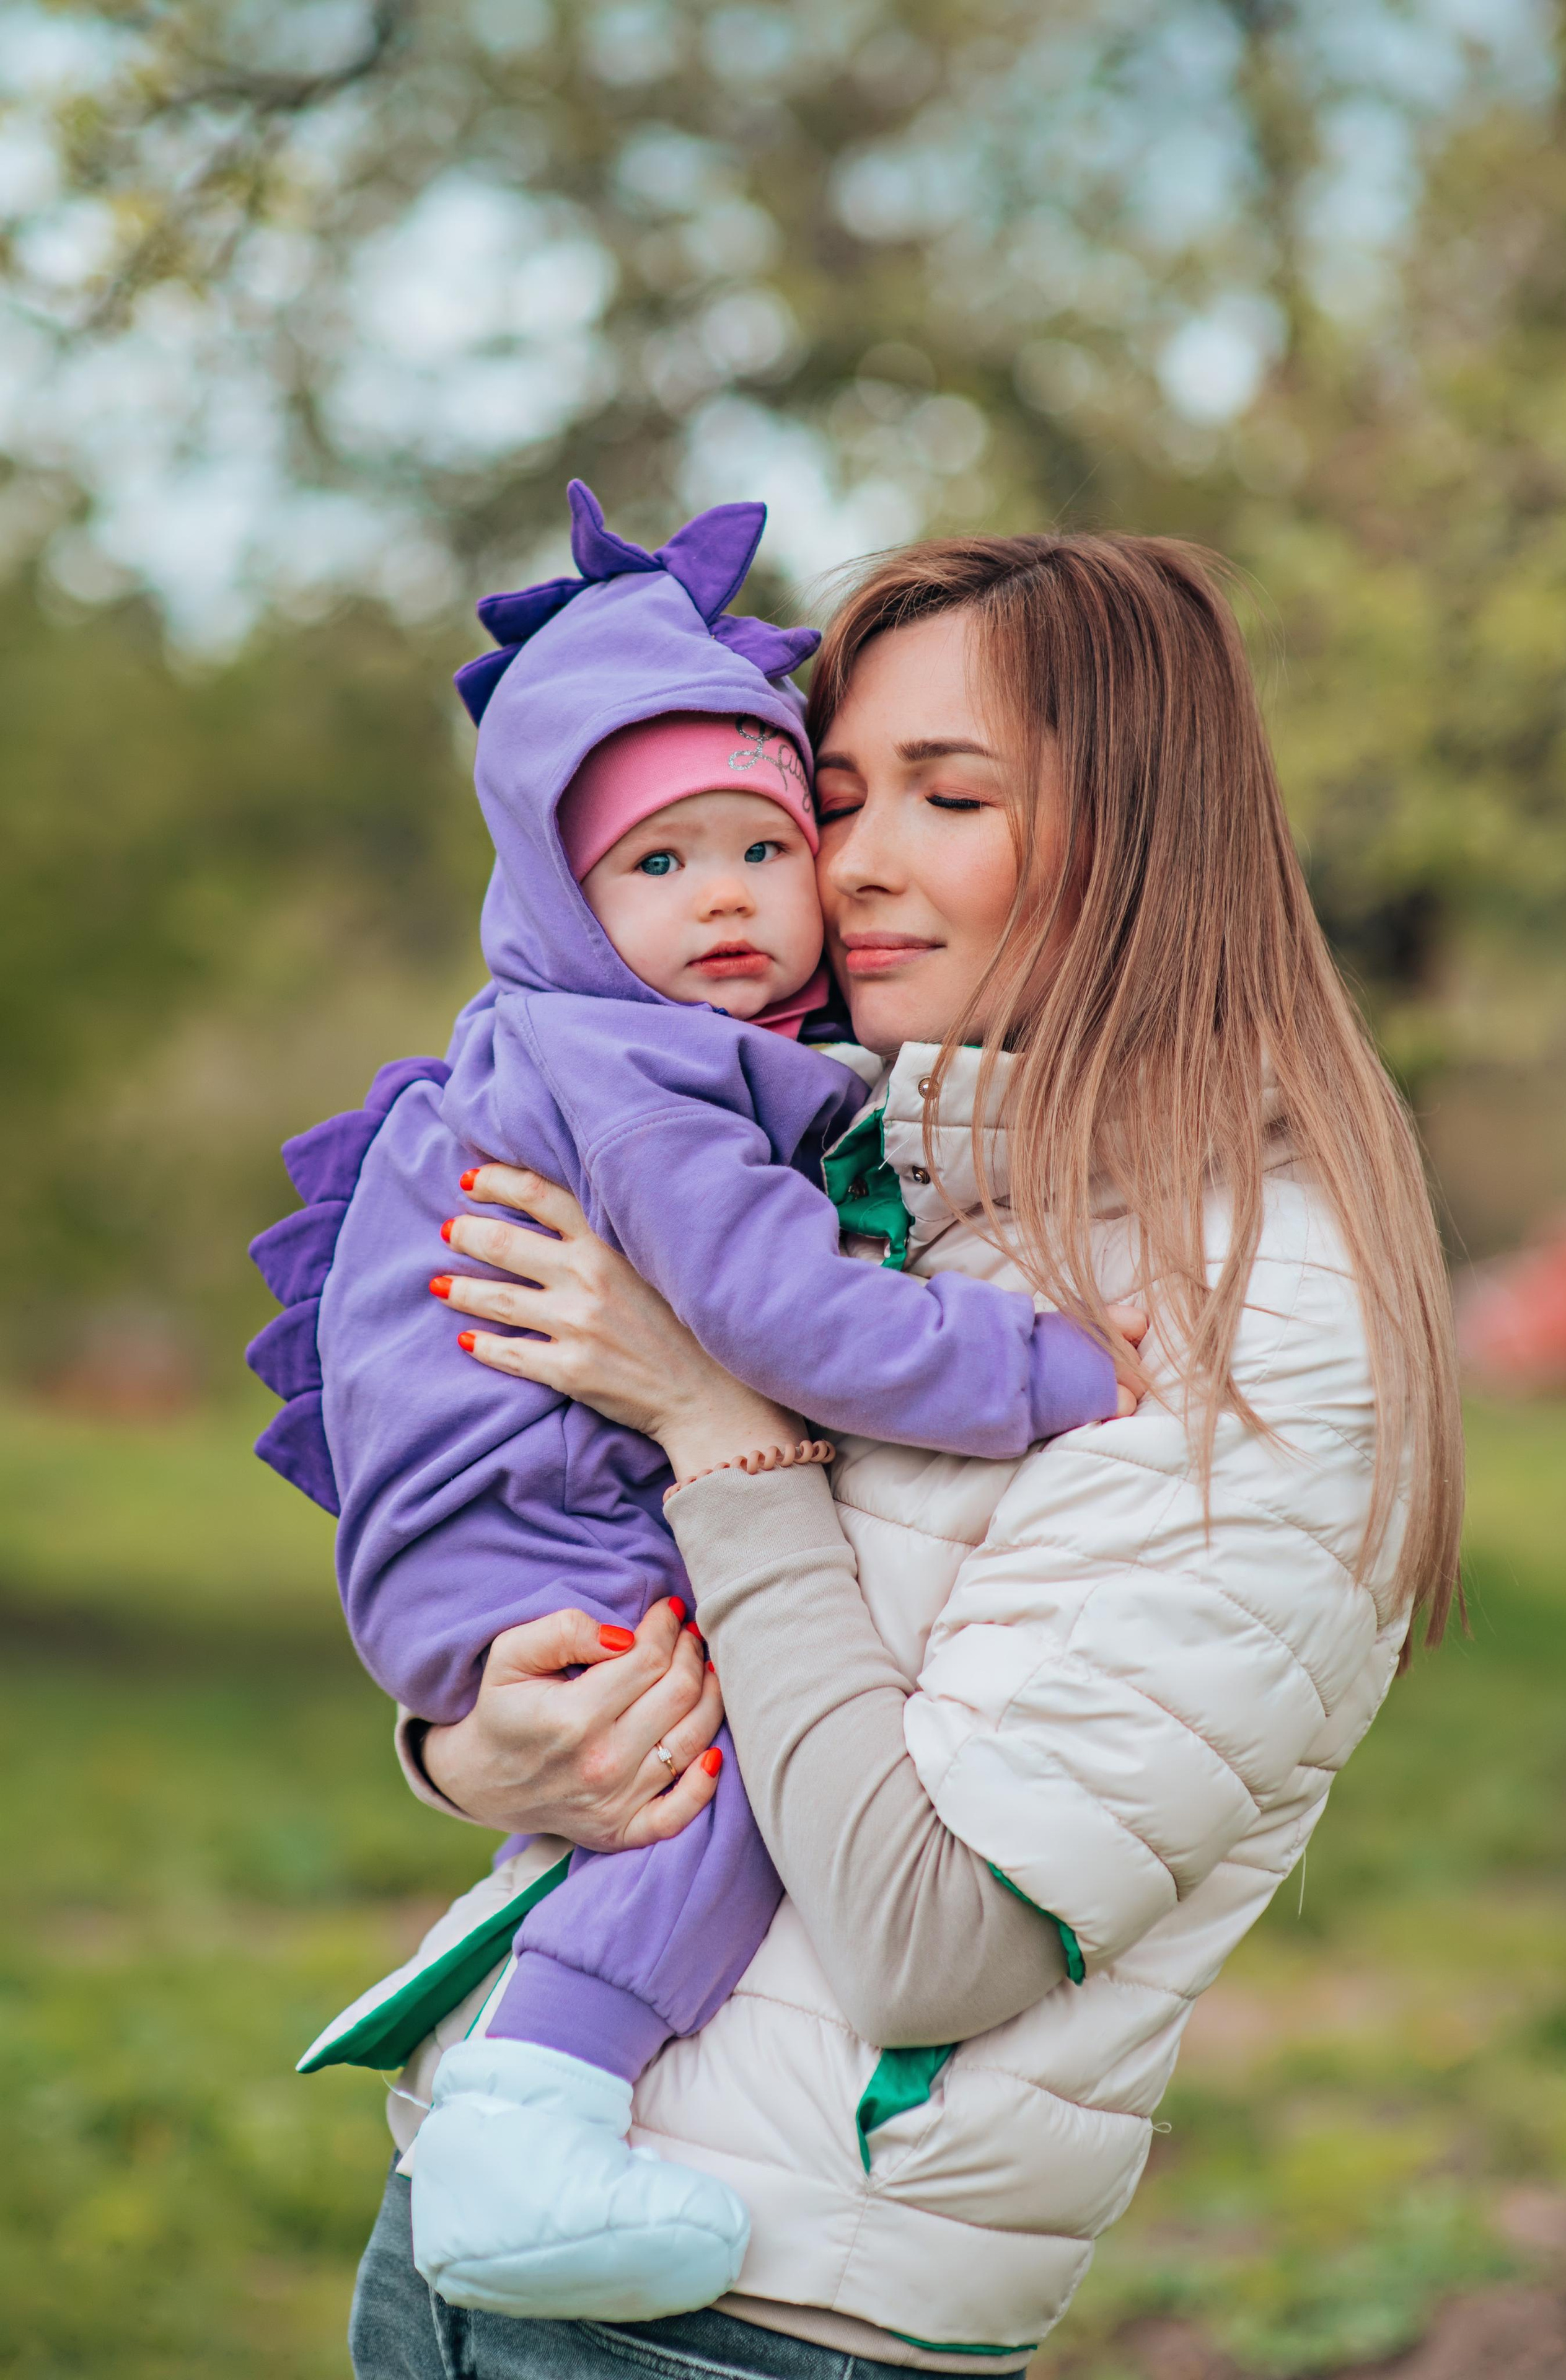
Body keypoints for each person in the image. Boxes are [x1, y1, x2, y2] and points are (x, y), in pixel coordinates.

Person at [342, 527, 1463, 2380]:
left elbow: (937, 1941)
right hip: (489, 2236)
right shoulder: (905, 1192)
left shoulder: (1267, 1313)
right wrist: (485, 1745)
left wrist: (715, 1421)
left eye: (951, 797)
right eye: (833, 795)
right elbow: (676, 1630)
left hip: (765, 2318)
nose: (848, 864)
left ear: (1144, 842)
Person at [246, 483, 1138, 2322]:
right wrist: (1047, 1369)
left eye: (761, 845)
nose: (730, 898)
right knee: (731, 1767)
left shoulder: (600, 1040)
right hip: (529, 1523)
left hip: (476, 1532)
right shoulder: (639, 1077)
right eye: (655, 868)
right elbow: (786, 1320)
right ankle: (528, 2109)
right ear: (554, 896)